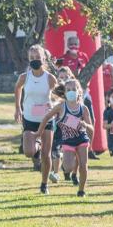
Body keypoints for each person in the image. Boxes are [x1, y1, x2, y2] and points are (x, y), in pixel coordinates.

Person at [37, 79, 94, 197]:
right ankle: (67, 162)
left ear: (79, 91)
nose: (71, 92)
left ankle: (81, 190)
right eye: (68, 90)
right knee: (68, 168)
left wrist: (85, 125)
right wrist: (39, 132)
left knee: (83, 165)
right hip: (68, 141)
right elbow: (47, 117)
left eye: (74, 89)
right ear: (65, 92)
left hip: (82, 139)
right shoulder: (61, 107)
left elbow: (91, 129)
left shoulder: (83, 109)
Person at [14, 45, 58, 194]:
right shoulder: (24, 77)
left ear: (43, 59)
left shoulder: (50, 78)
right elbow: (17, 88)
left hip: (46, 118)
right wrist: (18, 108)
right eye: (31, 58)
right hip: (30, 118)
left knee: (47, 154)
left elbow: (57, 95)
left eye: (37, 58)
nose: (34, 60)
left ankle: (44, 184)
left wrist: (53, 104)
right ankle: (36, 146)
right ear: (28, 59)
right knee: (28, 151)